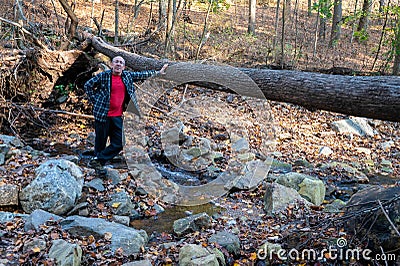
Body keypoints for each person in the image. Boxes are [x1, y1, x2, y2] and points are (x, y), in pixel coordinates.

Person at [84, 55, 168, 175]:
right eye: (116, 62)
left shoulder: (127, 76)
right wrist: (95, 100)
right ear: (112, 64)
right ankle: (98, 168)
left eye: (121, 63)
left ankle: (97, 160)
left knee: (120, 142)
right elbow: (88, 85)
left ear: (123, 66)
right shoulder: (104, 76)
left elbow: (143, 75)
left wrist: (158, 73)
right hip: (102, 115)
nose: (118, 64)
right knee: (100, 142)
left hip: (117, 116)